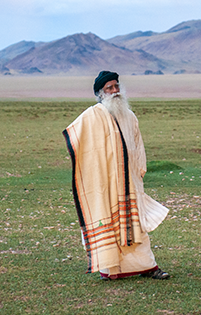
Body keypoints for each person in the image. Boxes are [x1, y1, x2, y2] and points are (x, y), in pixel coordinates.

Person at [63, 71, 170, 280]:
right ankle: (110, 270)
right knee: (111, 224)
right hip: (107, 183)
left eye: (116, 86)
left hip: (130, 182)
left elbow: (138, 146)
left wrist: (140, 171)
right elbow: (76, 135)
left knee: (137, 227)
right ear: (100, 93)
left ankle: (149, 267)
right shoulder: (93, 115)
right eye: (109, 88)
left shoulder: (130, 116)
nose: (115, 91)